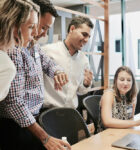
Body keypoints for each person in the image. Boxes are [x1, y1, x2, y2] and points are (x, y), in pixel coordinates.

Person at [0, 0, 71, 150]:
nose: (40, 33)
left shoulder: (33, 45)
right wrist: (45, 138)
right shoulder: (11, 53)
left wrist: (57, 71)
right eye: (39, 27)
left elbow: (48, 63)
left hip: (32, 120)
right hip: (16, 125)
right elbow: (14, 102)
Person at [42, 16, 93, 109]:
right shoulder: (47, 51)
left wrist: (86, 84)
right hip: (48, 111)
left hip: (71, 112)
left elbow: (81, 91)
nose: (86, 40)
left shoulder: (84, 60)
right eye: (84, 34)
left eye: (89, 37)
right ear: (72, 29)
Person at [99, 66, 140, 132]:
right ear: (116, 80)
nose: (125, 83)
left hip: (124, 130)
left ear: (133, 82)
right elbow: (107, 122)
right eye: (122, 80)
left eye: (129, 80)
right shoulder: (109, 94)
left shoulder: (133, 95)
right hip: (107, 133)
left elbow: (130, 118)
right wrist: (136, 123)